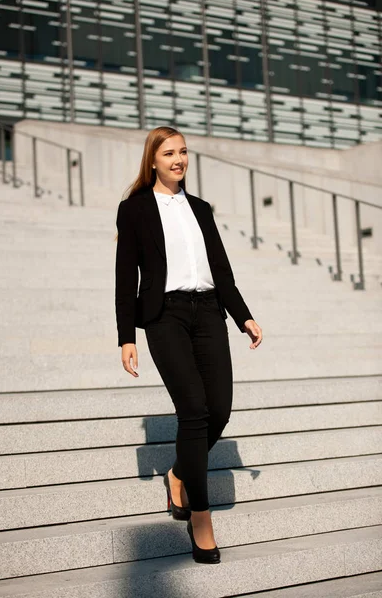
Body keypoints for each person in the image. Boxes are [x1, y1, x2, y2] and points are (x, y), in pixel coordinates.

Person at [115, 126, 262, 564]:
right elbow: (126, 278)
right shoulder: (135, 209)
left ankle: (179, 472)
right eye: (169, 153)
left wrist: (244, 315)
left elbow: (222, 268)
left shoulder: (200, 208)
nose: (178, 159)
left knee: (220, 409)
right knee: (193, 411)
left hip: (209, 311)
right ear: (153, 160)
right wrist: (126, 336)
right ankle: (201, 516)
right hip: (166, 318)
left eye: (183, 152)